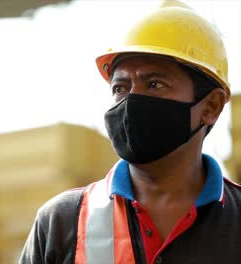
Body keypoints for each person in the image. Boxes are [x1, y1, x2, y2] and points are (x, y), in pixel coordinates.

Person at [19, 0, 241, 263]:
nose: (131, 101)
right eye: (120, 88)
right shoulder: (61, 222)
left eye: (155, 84)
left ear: (211, 106)